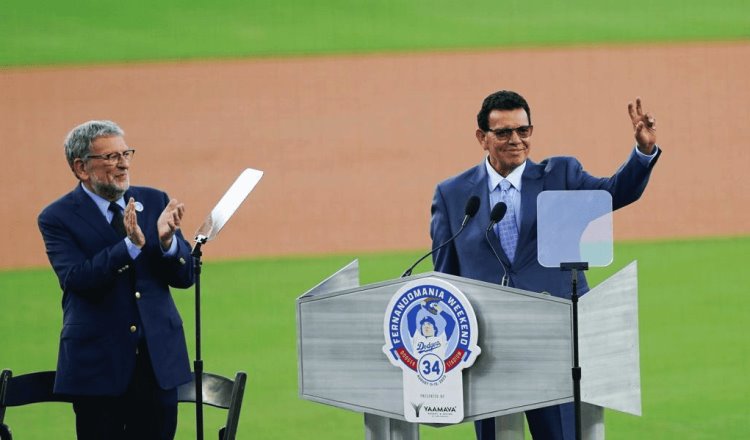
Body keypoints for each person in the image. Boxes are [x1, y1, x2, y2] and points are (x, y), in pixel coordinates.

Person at [430, 90, 660, 440]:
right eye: (504, 132)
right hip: (488, 347)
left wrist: (643, 153)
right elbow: (445, 275)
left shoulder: (560, 174)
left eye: (523, 131)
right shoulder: (452, 194)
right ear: (482, 138)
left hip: (555, 341)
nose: (516, 140)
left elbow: (613, 193)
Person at [37, 120, 195, 439]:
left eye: (126, 153)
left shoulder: (153, 200)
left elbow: (185, 275)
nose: (122, 163)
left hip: (158, 365)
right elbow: (78, 279)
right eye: (110, 157)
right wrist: (130, 246)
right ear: (81, 168)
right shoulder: (57, 218)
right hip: (97, 370)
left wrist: (167, 244)